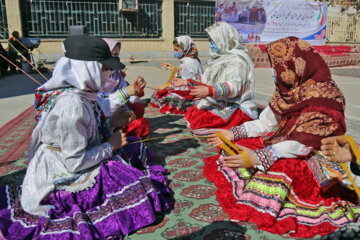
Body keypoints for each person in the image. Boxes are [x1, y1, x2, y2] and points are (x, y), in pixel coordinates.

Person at [0, 36, 172, 239]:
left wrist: (113, 123)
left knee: (135, 147)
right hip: (64, 170)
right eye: (105, 68)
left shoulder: (84, 94)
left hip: (79, 155)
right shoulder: (72, 106)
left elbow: (91, 130)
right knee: (128, 180)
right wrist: (110, 146)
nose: (109, 74)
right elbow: (74, 162)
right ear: (87, 69)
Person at [205, 37, 359, 238]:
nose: (275, 72)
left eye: (278, 67)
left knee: (281, 167)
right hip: (286, 142)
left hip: (318, 155)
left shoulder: (325, 97)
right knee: (241, 144)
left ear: (296, 65)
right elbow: (265, 123)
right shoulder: (287, 92)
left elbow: (303, 144)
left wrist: (259, 157)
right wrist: (233, 133)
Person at [181, 22, 257, 130]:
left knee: (200, 121)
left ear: (224, 39)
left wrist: (210, 91)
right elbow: (209, 79)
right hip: (221, 100)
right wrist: (186, 82)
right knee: (193, 112)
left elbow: (234, 86)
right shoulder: (218, 58)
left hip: (235, 104)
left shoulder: (238, 61)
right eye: (210, 41)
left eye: (213, 41)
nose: (211, 44)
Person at [101, 38, 150, 138]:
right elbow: (100, 106)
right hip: (101, 118)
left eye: (116, 55)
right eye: (111, 54)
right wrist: (124, 93)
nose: (114, 58)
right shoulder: (93, 77)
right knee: (139, 125)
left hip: (118, 112)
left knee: (138, 108)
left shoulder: (115, 74)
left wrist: (137, 89)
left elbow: (129, 99)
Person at [150, 36, 203, 114]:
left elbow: (187, 82)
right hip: (186, 89)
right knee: (159, 93)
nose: (175, 52)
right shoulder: (187, 59)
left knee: (166, 95)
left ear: (184, 48)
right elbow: (184, 74)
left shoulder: (190, 62)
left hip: (192, 93)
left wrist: (167, 86)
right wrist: (173, 68)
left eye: (176, 50)